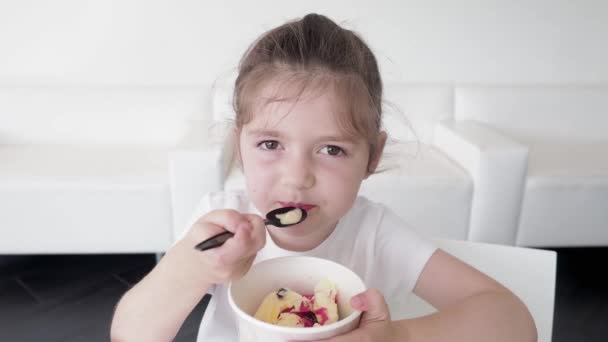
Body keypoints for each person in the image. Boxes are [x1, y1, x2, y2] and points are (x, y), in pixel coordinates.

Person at [111, 13, 537, 342]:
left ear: (372, 157)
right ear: (239, 145)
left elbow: (513, 320)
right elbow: (129, 333)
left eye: (331, 150)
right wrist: (190, 268)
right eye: (270, 145)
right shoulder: (219, 218)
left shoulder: (376, 234)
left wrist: (398, 335)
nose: (297, 179)